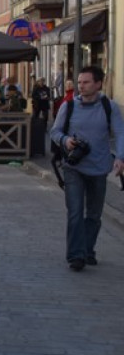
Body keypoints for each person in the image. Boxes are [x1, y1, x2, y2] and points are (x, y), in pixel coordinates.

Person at [49, 65, 124, 271]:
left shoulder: (109, 107)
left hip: (99, 168)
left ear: (98, 84)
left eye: (86, 82)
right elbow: (55, 132)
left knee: (94, 215)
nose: (81, 86)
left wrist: (120, 157)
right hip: (73, 167)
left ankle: (87, 250)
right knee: (75, 212)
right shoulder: (68, 106)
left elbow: (120, 133)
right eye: (79, 82)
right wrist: (66, 141)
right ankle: (76, 256)